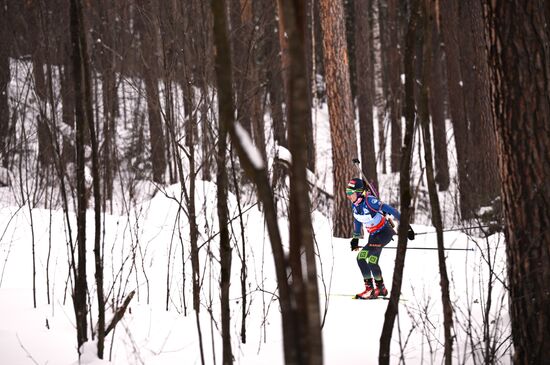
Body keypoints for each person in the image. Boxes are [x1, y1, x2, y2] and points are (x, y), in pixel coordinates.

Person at [346, 178, 415, 299]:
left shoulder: (370, 201)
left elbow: (393, 211)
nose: (349, 196)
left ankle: (370, 289)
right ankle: (381, 288)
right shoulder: (355, 205)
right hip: (373, 236)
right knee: (372, 262)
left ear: (359, 192)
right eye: (347, 193)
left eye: (351, 193)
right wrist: (355, 238)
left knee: (361, 258)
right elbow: (357, 220)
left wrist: (407, 228)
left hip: (384, 233)